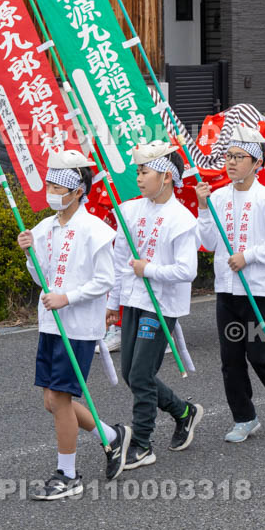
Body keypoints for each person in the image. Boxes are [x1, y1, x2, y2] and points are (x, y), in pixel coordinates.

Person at [16, 149, 132, 500]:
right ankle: (111, 437)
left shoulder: (96, 230)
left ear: (77, 190)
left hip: (78, 326)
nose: (50, 191)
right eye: (48, 184)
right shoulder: (44, 228)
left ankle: (68, 474)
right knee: (51, 401)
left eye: (56, 185)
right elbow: (41, 277)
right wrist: (29, 254)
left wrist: (68, 297)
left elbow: (104, 279)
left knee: (61, 399)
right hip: (50, 324)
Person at [195, 124, 265, 443]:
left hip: (259, 289)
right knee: (230, 358)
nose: (230, 162)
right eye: (227, 156)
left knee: (260, 354)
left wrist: (249, 256)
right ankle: (244, 417)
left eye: (238, 157)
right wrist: (203, 209)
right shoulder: (217, 197)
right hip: (227, 288)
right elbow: (207, 239)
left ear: (257, 163)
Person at [106, 141, 203, 470]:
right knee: (131, 374)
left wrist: (149, 269)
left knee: (141, 373)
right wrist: (112, 301)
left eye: (144, 171)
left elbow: (187, 271)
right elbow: (120, 259)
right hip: (133, 299)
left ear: (166, 177)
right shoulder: (130, 211)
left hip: (161, 305)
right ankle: (184, 411)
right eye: (138, 171)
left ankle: (143, 443)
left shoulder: (181, 219)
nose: (139, 177)